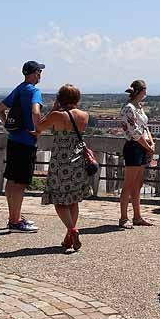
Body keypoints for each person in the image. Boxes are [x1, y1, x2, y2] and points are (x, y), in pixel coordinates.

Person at [35, 84, 92, 252]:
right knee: (73, 200)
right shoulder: (85, 116)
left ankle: (72, 230)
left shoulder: (56, 116)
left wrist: (53, 108)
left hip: (60, 163)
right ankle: (69, 237)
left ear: (60, 98)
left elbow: (38, 127)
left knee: (59, 200)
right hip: (77, 161)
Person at [0, 61, 45, 233]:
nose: (40, 75)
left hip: (13, 139)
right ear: (34, 73)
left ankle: (13, 216)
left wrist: (7, 125)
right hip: (26, 142)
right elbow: (36, 112)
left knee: (12, 179)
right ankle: (15, 221)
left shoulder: (19, 89)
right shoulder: (34, 91)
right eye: (39, 71)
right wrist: (38, 131)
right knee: (21, 182)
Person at [119, 79, 155, 228]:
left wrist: (151, 143)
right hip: (134, 147)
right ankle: (123, 218)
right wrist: (148, 146)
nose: (146, 92)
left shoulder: (139, 107)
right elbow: (135, 132)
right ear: (140, 91)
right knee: (129, 184)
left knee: (138, 184)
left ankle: (137, 216)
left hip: (142, 146)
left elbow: (145, 127)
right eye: (145, 89)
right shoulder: (129, 108)